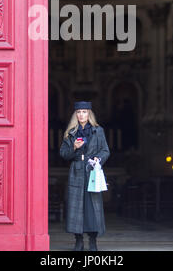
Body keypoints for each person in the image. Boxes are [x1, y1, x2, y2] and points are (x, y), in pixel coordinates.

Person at [60, 101, 110, 251]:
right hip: (76, 171)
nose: (82, 115)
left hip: (92, 171)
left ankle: (93, 241)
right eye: (79, 112)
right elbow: (63, 154)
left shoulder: (98, 130)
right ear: (75, 114)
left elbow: (105, 150)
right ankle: (79, 241)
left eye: (84, 112)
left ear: (89, 114)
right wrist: (74, 148)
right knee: (77, 208)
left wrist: (98, 159)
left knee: (92, 207)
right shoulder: (71, 133)